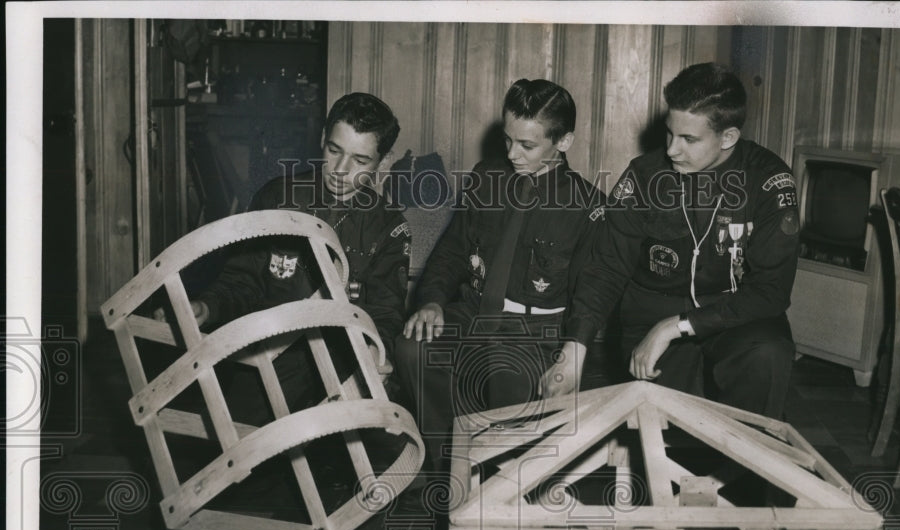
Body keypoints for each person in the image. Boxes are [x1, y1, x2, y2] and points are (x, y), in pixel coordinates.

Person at [555, 62, 799, 420]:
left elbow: (771, 292)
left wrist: (675, 327)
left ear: (728, 138)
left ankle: (745, 472)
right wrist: (575, 347)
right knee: (666, 431)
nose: (671, 150)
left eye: (689, 139)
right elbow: (606, 265)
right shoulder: (644, 175)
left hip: (733, 314)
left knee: (768, 353)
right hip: (652, 310)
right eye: (670, 134)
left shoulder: (768, 180)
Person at [395, 78, 605, 468]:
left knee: (505, 372)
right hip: (473, 312)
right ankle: (448, 465)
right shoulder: (486, 178)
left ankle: (501, 485)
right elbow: (452, 251)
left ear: (564, 142)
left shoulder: (588, 208)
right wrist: (432, 301)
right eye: (508, 140)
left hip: (534, 332)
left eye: (527, 145)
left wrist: (571, 351)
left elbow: (590, 294)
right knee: (413, 346)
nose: (512, 154)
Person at [184, 92, 410, 424]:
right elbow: (242, 280)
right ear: (321, 138)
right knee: (238, 447)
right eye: (334, 151)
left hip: (343, 358)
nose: (341, 170)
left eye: (360, 161)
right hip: (271, 354)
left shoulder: (391, 228)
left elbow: (385, 313)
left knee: (373, 443)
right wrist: (209, 305)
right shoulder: (277, 198)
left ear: (384, 162)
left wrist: (378, 352)